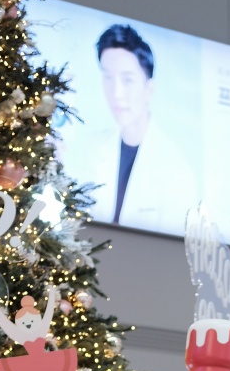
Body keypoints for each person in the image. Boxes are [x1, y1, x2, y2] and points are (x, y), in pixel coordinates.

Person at [65, 23, 198, 233]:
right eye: (108, 78)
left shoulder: (176, 170)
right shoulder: (90, 148)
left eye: (127, 80)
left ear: (149, 89)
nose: (116, 92)